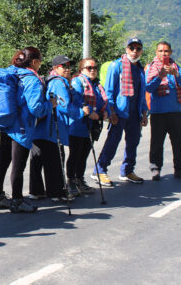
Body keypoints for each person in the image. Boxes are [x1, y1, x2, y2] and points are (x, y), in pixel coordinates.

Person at [0, 47, 56, 213]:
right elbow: (35, 108)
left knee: (3, 162)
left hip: (6, 122)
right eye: (40, 61)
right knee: (18, 166)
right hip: (21, 128)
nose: (40, 64)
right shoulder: (32, 80)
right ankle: (17, 200)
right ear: (34, 62)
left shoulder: (12, 72)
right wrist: (50, 104)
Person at [92, 38, 148, 186]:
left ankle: (127, 171)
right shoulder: (116, 66)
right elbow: (109, 91)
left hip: (135, 112)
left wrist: (144, 112)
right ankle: (100, 170)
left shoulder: (140, 68)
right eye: (132, 48)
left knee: (133, 142)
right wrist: (111, 112)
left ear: (141, 50)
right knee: (113, 141)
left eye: (138, 48)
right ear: (126, 49)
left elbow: (142, 93)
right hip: (119, 111)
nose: (134, 51)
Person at [29, 55, 78, 203]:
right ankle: (56, 193)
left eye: (69, 66)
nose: (68, 69)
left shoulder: (49, 80)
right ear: (56, 68)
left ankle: (36, 192)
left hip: (38, 127)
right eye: (64, 66)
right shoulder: (58, 83)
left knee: (37, 160)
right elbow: (65, 106)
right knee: (54, 161)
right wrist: (81, 113)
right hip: (51, 128)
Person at [146, 41, 181, 181]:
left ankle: (180, 169)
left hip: (175, 111)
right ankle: (155, 169)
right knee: (157, 143)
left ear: (170, 52)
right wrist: (160, 76)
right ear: (156, 52)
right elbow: (148, 88)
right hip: (158, 112)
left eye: (166, 51)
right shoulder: (152, 68)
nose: (163, 53)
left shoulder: (175, 66)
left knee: (178, 142)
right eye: (160, 51)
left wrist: (175, 74)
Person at [67, 58, 109, 196]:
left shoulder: (96, 84)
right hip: (78, 124)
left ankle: (80, 180)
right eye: (88, 68)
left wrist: (104, 111)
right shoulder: (78, 81)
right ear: (81, 69)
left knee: (84, 153)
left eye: (95, 67)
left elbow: (103, 100)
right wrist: (90, 111)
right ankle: (71, 182)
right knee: (75, 154)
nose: (92, 70)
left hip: (90, 125)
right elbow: (76, 99)